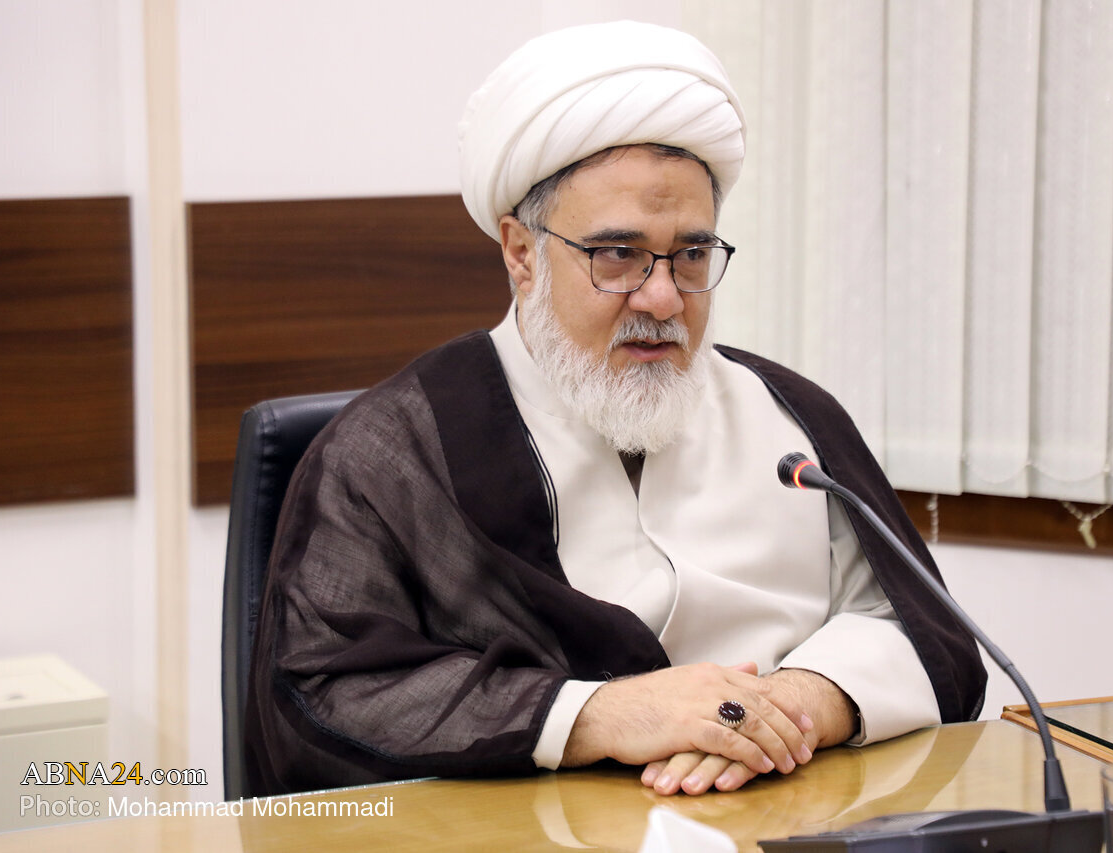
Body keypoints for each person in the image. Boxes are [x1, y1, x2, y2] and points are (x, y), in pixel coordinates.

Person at [245, 20, 986, 799]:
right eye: (618, 255)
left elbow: (922, 631)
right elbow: (320, 695)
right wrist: (598, 714)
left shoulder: (794, 420)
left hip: (790, 817)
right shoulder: (394, 450)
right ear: (521, 253)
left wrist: (794, 705)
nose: (662, 297)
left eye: (691, 254)